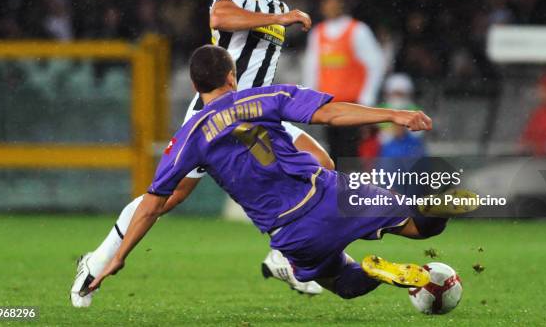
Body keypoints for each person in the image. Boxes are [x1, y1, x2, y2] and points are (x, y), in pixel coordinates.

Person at [83, 45, 475, 301]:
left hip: (291, 234)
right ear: (233, 77)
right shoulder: (266, 97)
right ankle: (439, 203)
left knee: (343, 284)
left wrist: (120, 255)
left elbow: (152, 204)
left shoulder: (189, 138)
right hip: (330, 194)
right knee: (422, 226)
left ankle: (378, 271)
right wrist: (394, 113)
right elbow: (332, 113)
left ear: (194, 85)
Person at [71, 0, 330, 307]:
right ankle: (96, 261)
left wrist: (279, 16)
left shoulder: (277, 6)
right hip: (216, 119)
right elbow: (219, 18)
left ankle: (286, 257)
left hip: (258, 117)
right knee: (166, 197)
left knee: (318, 165)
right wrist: (278, 20)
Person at [302, 0, 385, 162]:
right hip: (329, 106)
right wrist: (309, 99)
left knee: (352, 153)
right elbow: (312, 68)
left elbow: (376, 64)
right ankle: (341, 188)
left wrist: (367, 98)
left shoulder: (357, 30)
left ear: (342, 5)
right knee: (334, 151)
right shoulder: (318, 33)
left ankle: (353, 188)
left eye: (333, 2)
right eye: (326, 3)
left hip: (352, 104)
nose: (329, 7)